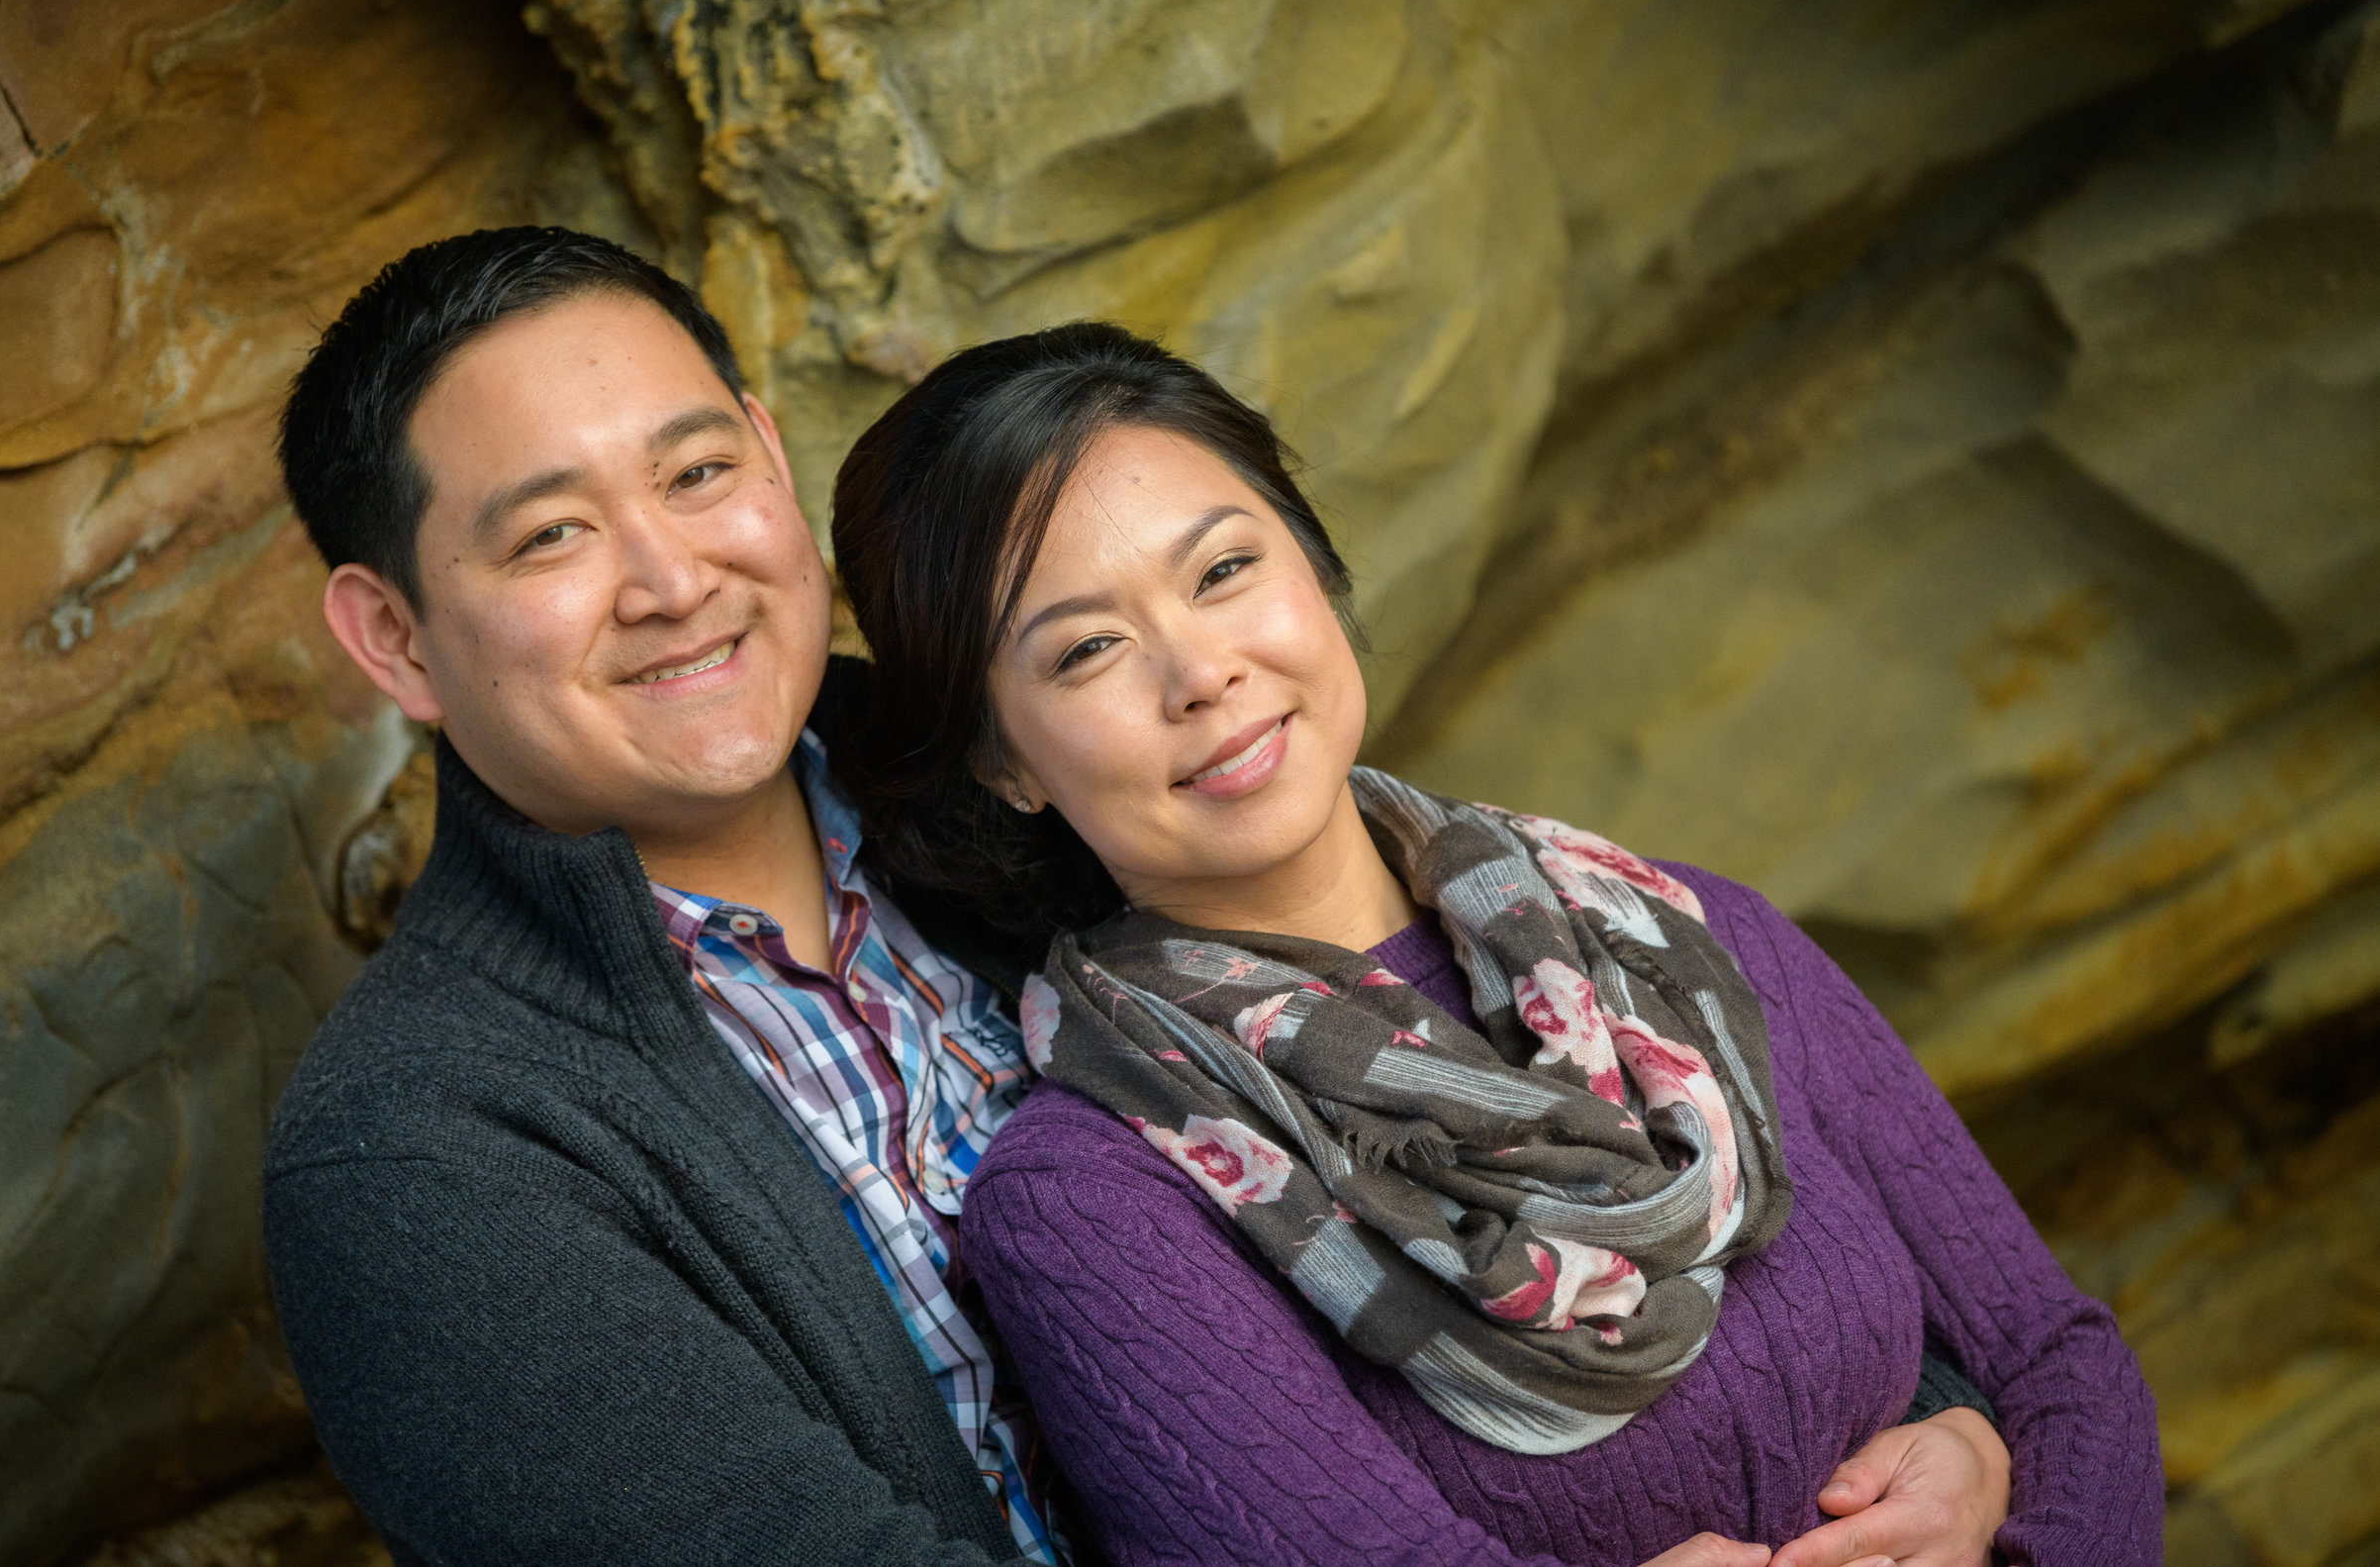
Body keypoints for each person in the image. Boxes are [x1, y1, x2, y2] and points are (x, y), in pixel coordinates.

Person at [824, 322, 2166, 1567]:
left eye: (1226, 569)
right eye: (1087, 651)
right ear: (1003, 761)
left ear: (1317, 569)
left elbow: (2057, 1358)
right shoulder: (1096, 1203)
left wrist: (1988, 1462)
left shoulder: (1681, 937)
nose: (1201, 671)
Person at [264, 227, 1066, 1565]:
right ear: (395, 638)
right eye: (552, 534)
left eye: (699, 473)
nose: (675, 582)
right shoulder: (411, 1160)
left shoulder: (1046, 782)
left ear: (769, 449)